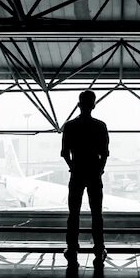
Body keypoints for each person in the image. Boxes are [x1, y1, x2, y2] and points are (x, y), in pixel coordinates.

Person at [61, 90, 109, 266]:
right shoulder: (100, 126)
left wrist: (73, 167)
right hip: (94, 172)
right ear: (93, 105)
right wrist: (100, 170)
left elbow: (65, 152)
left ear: (79, 104)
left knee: (74, 213)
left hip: (77, 172)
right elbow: (104, 153)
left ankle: (72, 248)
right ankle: (99, 249)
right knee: (97, 213)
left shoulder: (70, 126)